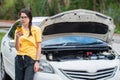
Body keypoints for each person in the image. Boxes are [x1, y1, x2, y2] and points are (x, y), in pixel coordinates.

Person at [14, 8, 42, 80]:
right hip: (19, 58)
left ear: (29, 18)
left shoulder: (36, 29)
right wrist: (17, 38)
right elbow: (17, 49)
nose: (23, 19)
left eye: (25, 17)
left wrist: (37, 62)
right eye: (21, 17)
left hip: (30, 60)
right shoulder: (18, 30)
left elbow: (39, 47)